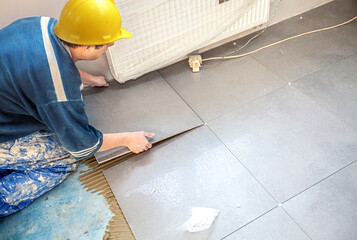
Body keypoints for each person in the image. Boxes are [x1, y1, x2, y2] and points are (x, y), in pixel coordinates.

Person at [0, 0, 154, 217]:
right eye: (105, 42)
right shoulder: (59, 89)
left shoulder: (43, 25)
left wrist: (88, 78)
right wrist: (127, 139)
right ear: (86, 47)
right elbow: (81, 145)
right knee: (65, 158)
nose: (111, 45)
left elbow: (37, 67)